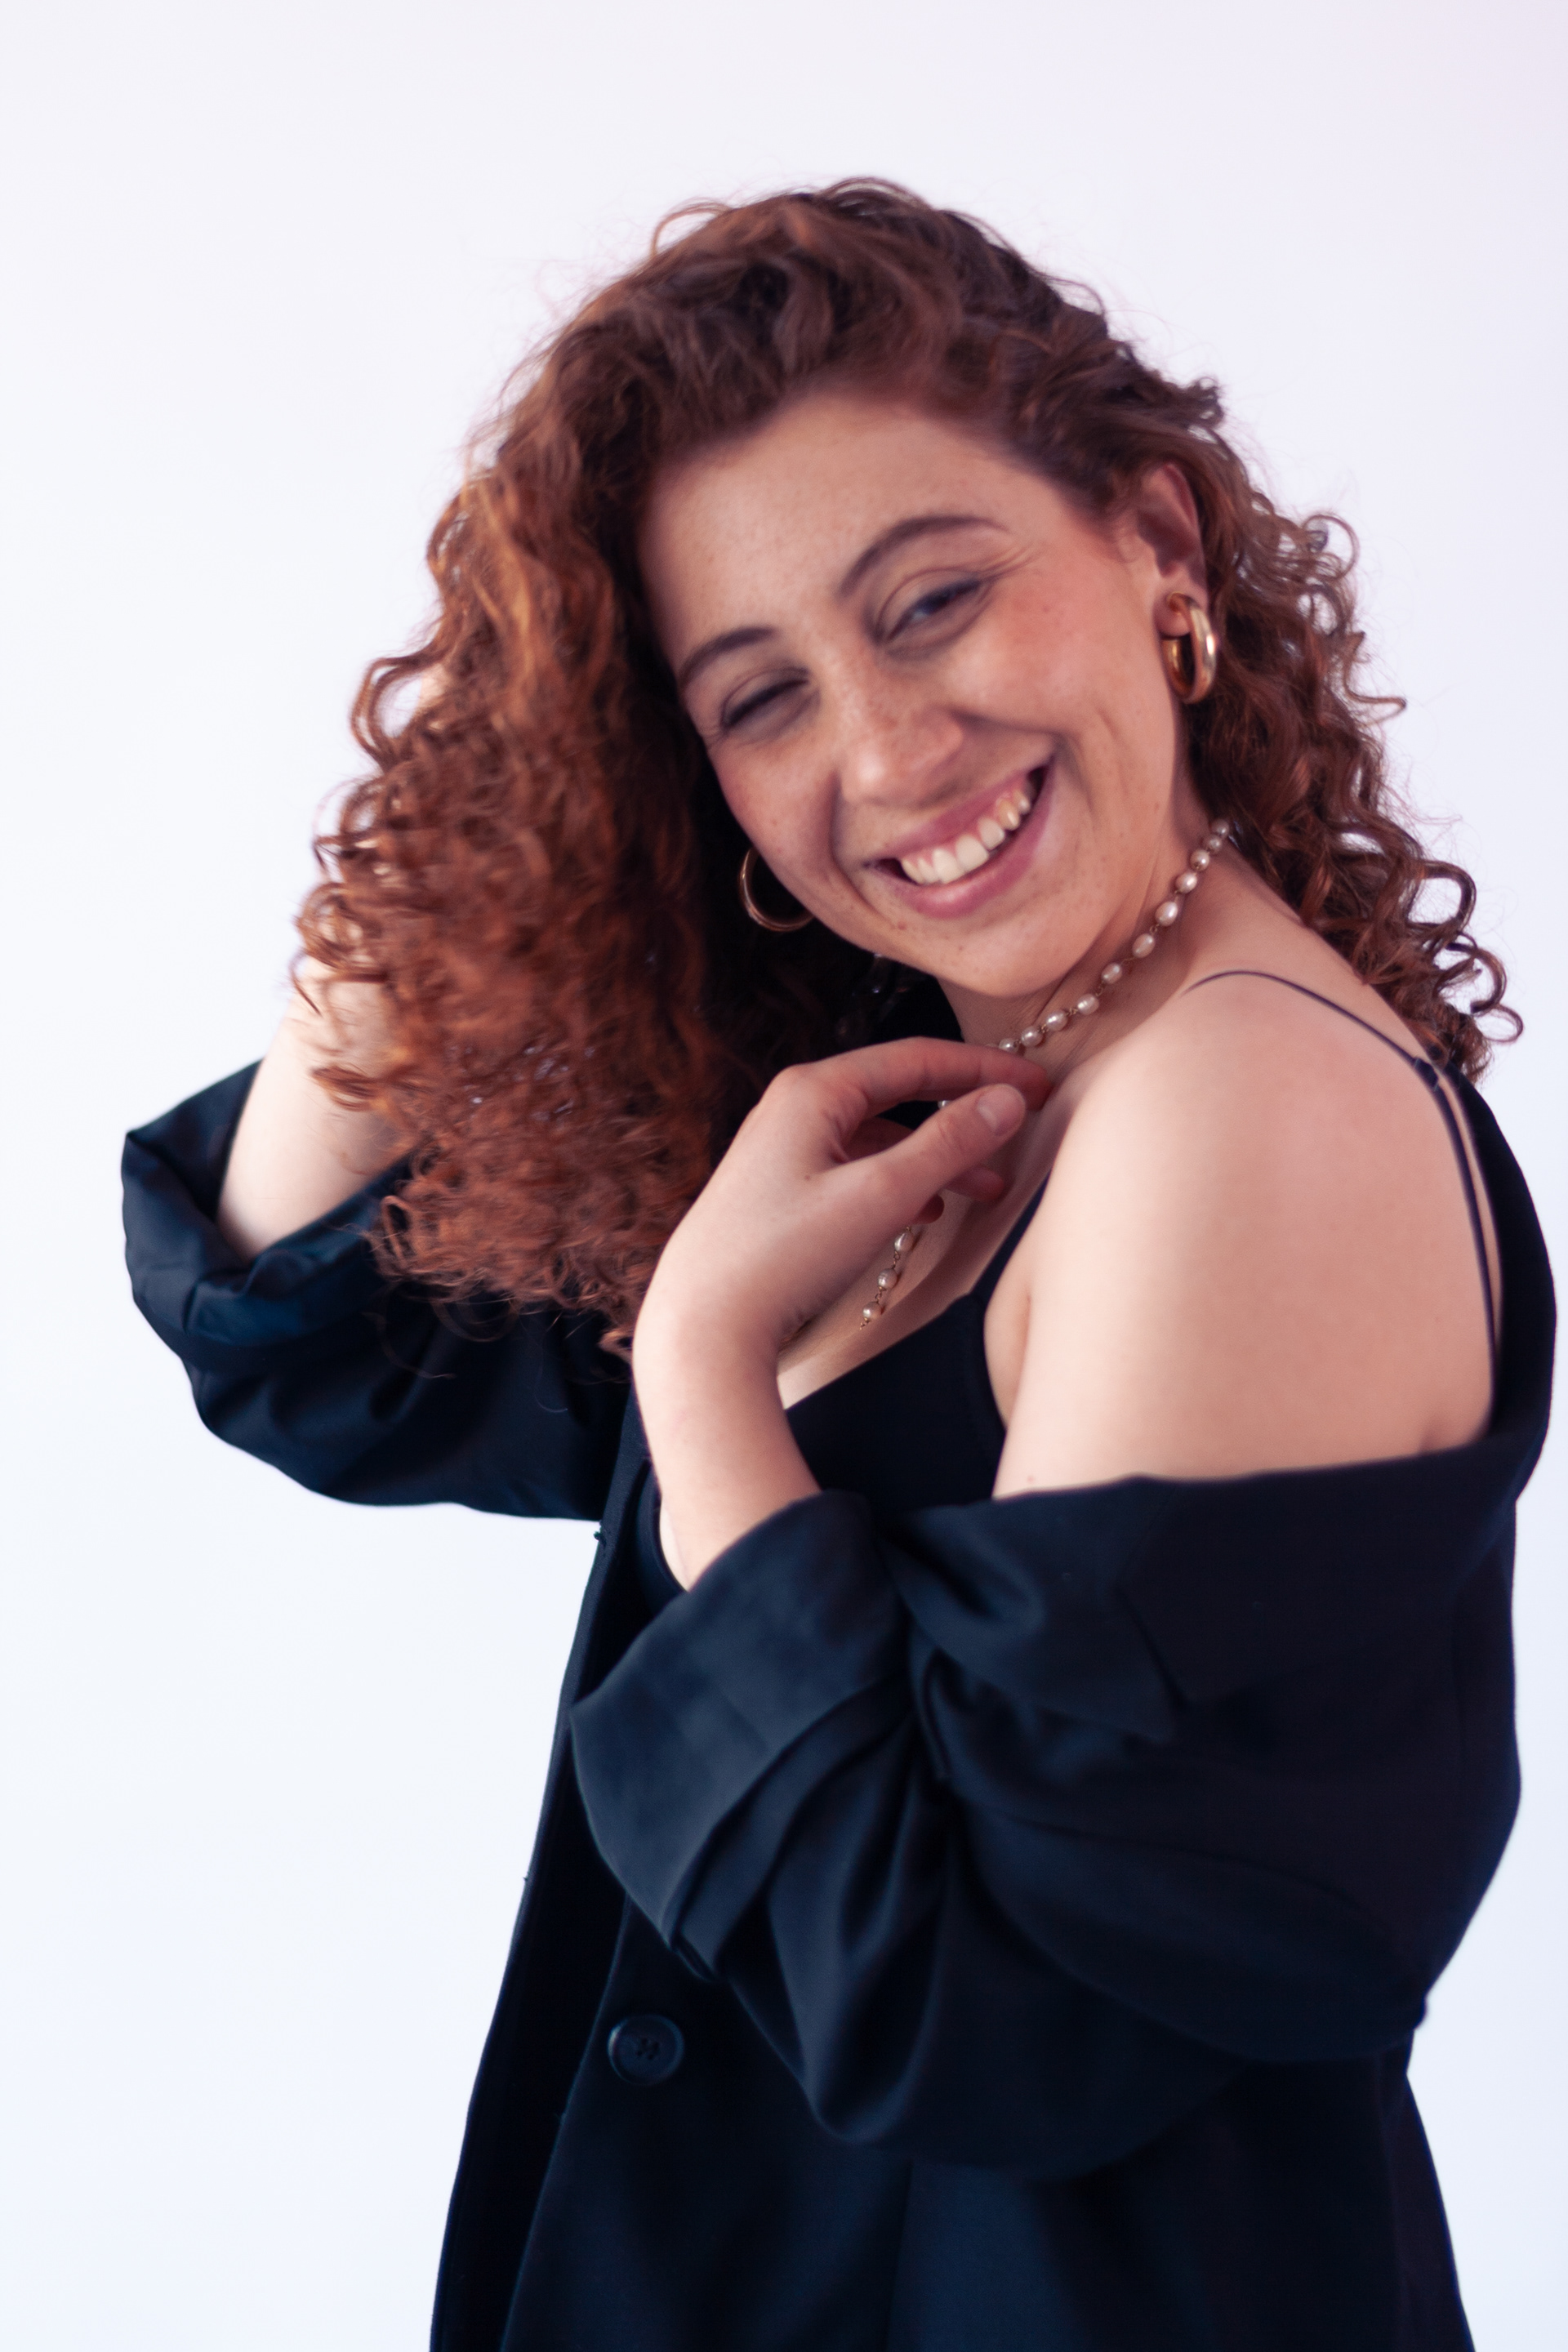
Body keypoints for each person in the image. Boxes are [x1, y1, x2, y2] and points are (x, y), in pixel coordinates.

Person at [122, 182, 1553, 2351]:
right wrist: (502, 761)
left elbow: (984, 2018)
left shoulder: (1238, 1108)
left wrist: (709, 1379)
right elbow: (324, 1354)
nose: (887, 754)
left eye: (934, 601)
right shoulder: (950, 1076)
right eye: (759, 695)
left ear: (1159, 548)